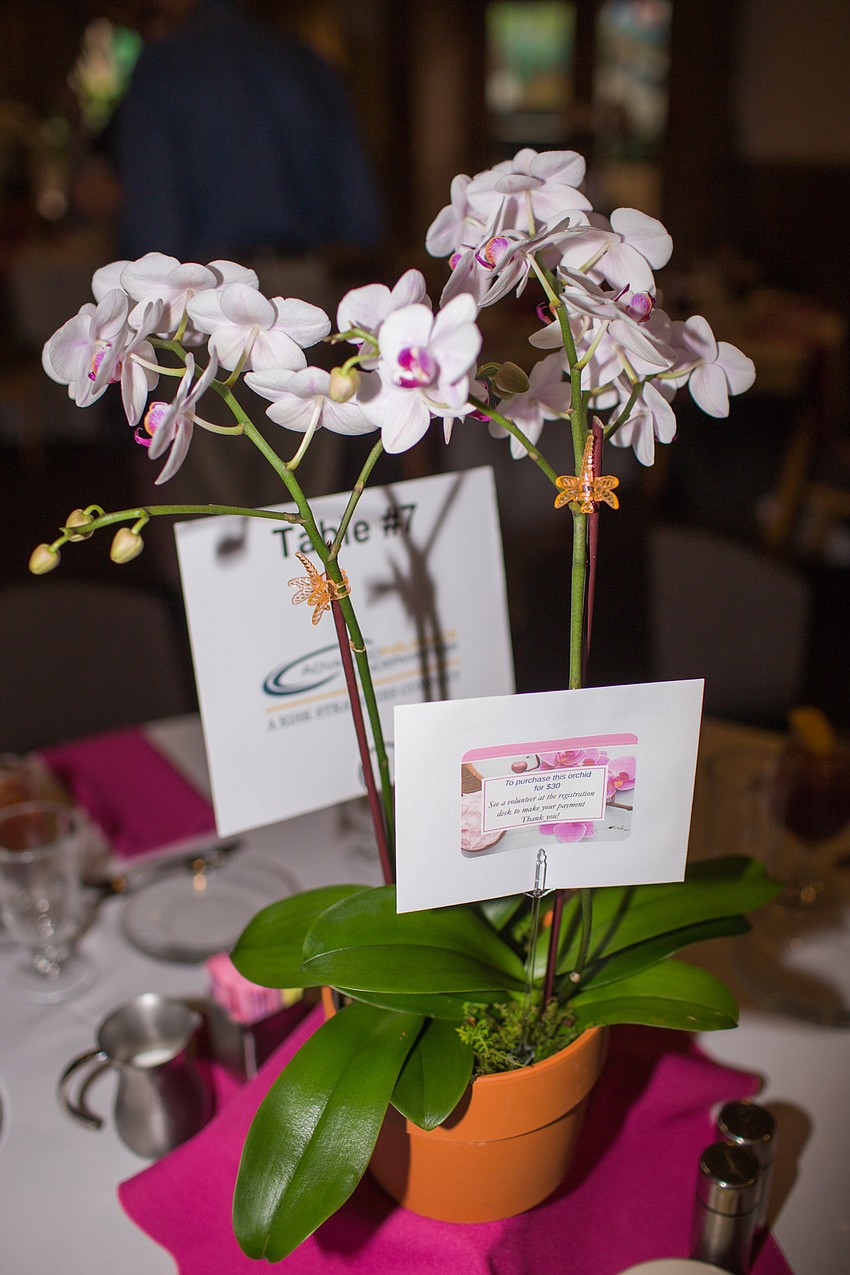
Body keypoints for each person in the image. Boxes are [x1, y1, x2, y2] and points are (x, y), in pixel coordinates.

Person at [112, 0, 382, 267]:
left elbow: (155, 227)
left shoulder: (161, 68)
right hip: (306, 279)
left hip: (207, 282)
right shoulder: (310, 63)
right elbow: (361, 219)